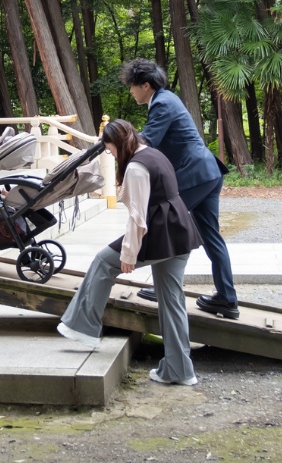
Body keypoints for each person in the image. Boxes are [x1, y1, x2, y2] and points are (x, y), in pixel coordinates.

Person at [56, 119, 203, 385]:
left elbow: (137, 218)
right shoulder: (152, 152)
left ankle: (84, 327)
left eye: (110, 148)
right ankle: (180, 370)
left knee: (103, 261)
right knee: (172, 301)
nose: (110, 154)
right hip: (180, 230)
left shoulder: (136, 167)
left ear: (118, 143)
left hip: (159, 235)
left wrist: (128, 254)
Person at [120, 58, 240, 319]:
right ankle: (227, 300)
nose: (131, 91)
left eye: (133, 86)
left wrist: (115, 140)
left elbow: (146, 140)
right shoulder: (167, 99)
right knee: (211, 237)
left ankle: (162, 287)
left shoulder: (162, 103)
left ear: (146, 86)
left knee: (161, 221)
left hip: (195, 175)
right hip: (207, 174)